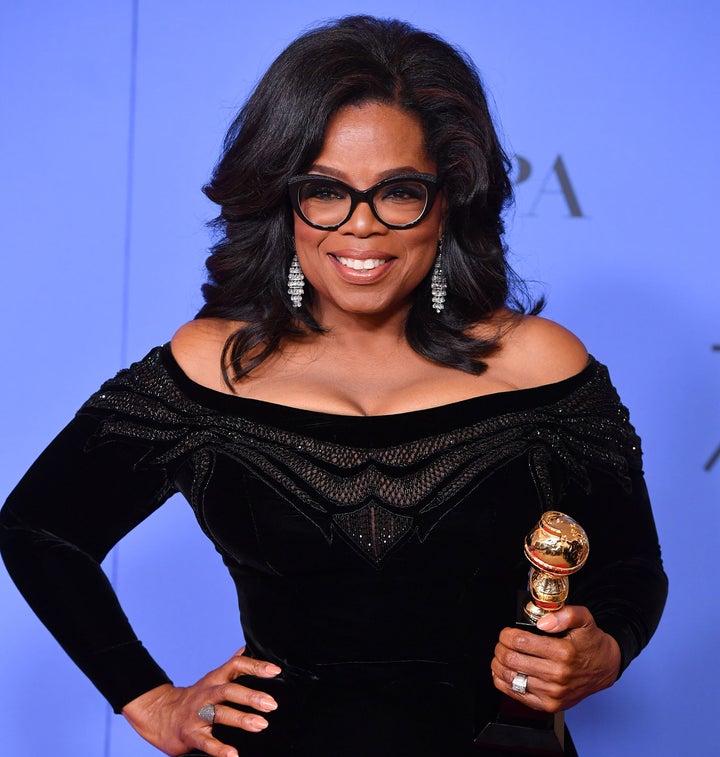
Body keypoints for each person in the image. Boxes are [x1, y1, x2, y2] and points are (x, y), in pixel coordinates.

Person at [0, 15, 667, 757]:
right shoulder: (207, 369)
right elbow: (39, 529)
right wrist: (150, 698)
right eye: (325, 191)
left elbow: (631, 568)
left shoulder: (544, 364)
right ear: (285, 201)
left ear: (446, 199)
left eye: (399, 192)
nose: (361, 227)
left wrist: (603, 651)